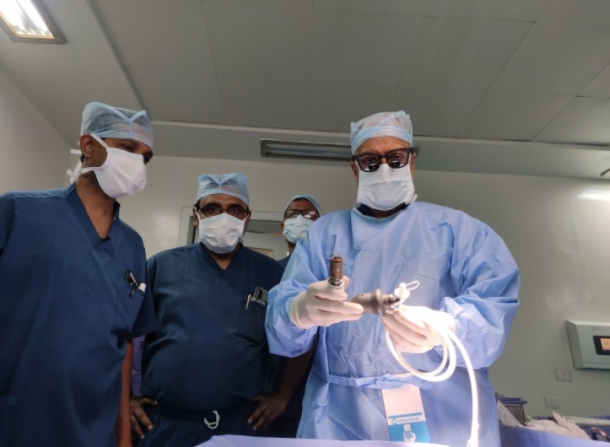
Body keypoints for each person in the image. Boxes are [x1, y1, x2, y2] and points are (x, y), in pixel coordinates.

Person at [265, 111, 520, 447]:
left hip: (443, 413)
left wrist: (448, 328)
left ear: (412, 161)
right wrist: (297, 311)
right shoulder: (325, 236)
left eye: (395, 158)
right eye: (370, 161)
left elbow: (493, 314)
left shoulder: (460, 232)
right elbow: (285, 332)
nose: (384, 169)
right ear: (355, 168)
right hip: (342, 416)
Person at [0, 102, 156, 447]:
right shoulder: (19, 213)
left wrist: (123, 436)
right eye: (127, 148)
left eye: (145, 157)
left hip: (94, 427)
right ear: (88, 145)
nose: (137, 163)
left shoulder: (132, 246)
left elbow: (124, 344)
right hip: (19, 418)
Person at [130, 173, 306, 446]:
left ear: (247, 218)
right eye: (212, 208)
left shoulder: (272, 274)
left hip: (241, 424)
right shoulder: (161, 267)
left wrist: (283, 395)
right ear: (196, 215)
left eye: (235, 209)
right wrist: (126, 398)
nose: (224, 216)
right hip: (164, 424)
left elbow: (303, 336)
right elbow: (126, 334)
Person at [278, 195, 322, 270]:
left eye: (309, 214)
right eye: (292, 214)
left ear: (321, 226)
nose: (300, 219)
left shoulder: (329, 270)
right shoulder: (273, 270)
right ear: (283, 227)